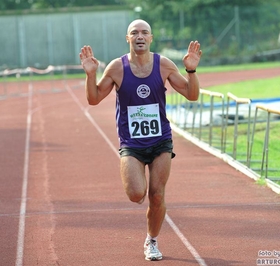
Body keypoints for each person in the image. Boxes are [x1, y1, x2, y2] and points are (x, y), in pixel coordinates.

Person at [79, 19, 202, 261]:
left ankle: (152, 241)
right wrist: (91, 74)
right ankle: (143, 202)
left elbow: (191, 94)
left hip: (161, 141)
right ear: (128, 39)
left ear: (151, 38)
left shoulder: (163, 64)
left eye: (144, 32)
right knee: (137, 194)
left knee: (157, 194)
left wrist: (191, 70)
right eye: (134, 33)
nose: (140, 36)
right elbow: (93, 99)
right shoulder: (116, 68)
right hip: (131, 144)